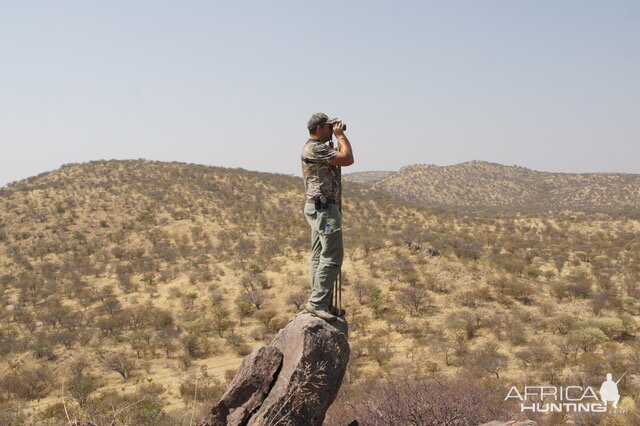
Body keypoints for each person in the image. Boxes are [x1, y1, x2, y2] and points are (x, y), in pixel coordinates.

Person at [301, 112, 354, 322]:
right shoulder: (316, 148)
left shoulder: (316, 148)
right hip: (324, 208)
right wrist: (341, 137)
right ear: (320, 128)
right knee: (332, 255)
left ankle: (320, 301)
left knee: (318, 255)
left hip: (317, 206)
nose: (332, 129)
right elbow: (347, 159)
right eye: (329, 126)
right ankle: (317, 303)